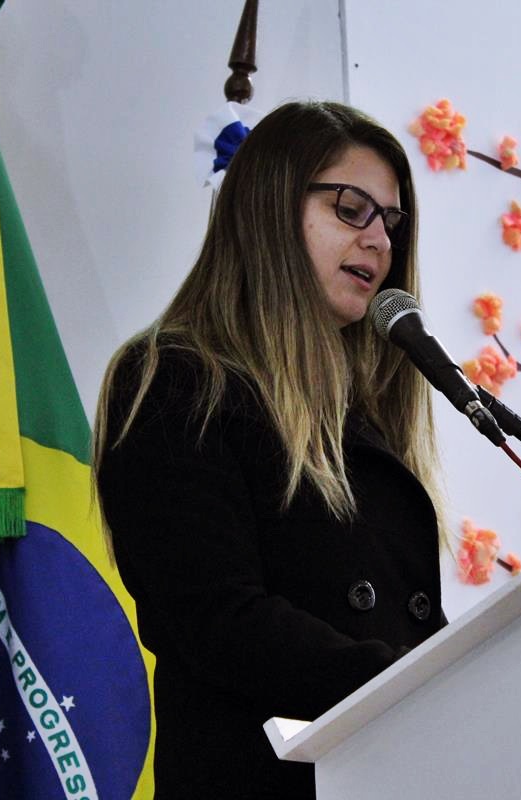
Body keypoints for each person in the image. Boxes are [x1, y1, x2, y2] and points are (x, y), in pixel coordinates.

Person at [93, 101, 447, 799]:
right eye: (352, 209)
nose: (380, 240)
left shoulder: (361, 413)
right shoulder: (173, 381)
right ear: (269, 209)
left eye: (391, 220)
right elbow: (216, 618)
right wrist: (414, 689)